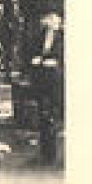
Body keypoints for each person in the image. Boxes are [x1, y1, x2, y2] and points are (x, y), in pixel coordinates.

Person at [29, 12, 65, 165]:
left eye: (54, 20)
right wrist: (37, 58)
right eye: (49, 20)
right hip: (42, 76)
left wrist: (55, 62)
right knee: (44, 115)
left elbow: (62, 55)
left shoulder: (62, 36)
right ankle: (45, 153)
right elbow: (34, 50)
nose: (50, 22)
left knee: (53, 115)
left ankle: (53, 154)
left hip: (56, 78)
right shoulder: (41, 35)